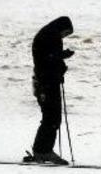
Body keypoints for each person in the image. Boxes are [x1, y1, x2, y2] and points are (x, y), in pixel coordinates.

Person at [29, 16, 74, 165]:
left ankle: (43, 149)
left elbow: (50, 57)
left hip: (48, 81)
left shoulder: (49, 35)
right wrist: (61, 59)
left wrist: (61, 60)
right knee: (51, 117)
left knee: (52, 117)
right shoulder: (50, 36)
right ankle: (42, 151)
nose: (64, 36)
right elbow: (48, 58)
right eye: (65, 33)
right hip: (46, 83)